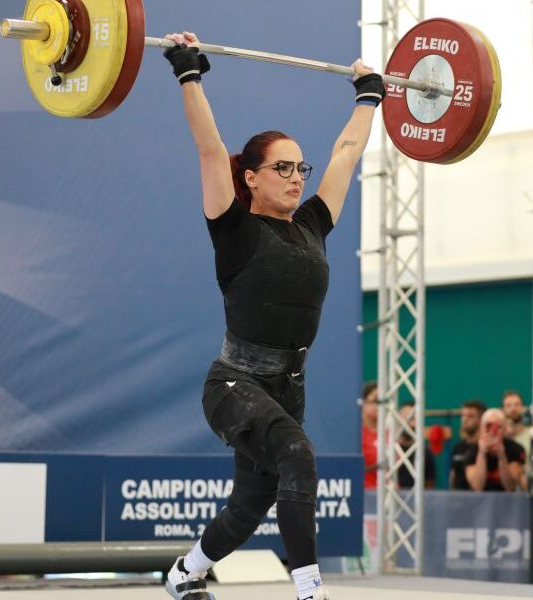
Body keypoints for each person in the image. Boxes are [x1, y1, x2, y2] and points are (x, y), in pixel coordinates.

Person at [161, 32, 384, 600]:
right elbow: (211, 150)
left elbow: (346, 153)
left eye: (299, 168)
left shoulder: (312, 224)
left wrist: (368, 94)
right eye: (282, 168)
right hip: (233, 385)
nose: (296, 177)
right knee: (297, 455)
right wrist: (189, 74)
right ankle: (310, 590)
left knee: (249, 504)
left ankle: (184, 573)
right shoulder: (233, 227)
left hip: (288, 387)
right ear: (252, 177)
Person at [454, 408, 526, 492]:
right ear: (481, 428)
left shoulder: (515, 449)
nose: (492, 432)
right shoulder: (470, 450)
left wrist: (501, 456)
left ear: (504, 429)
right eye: (488, 426)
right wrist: (481, 454)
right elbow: (477, 487)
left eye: (497, 427)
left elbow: (510, 487)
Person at [449, 400, 486, 490]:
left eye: (470, 416)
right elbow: (453, 476)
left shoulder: (486, 448)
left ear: (481, 420)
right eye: (463, 415)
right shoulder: (458, 447)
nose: (465, 419)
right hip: (457, 497)